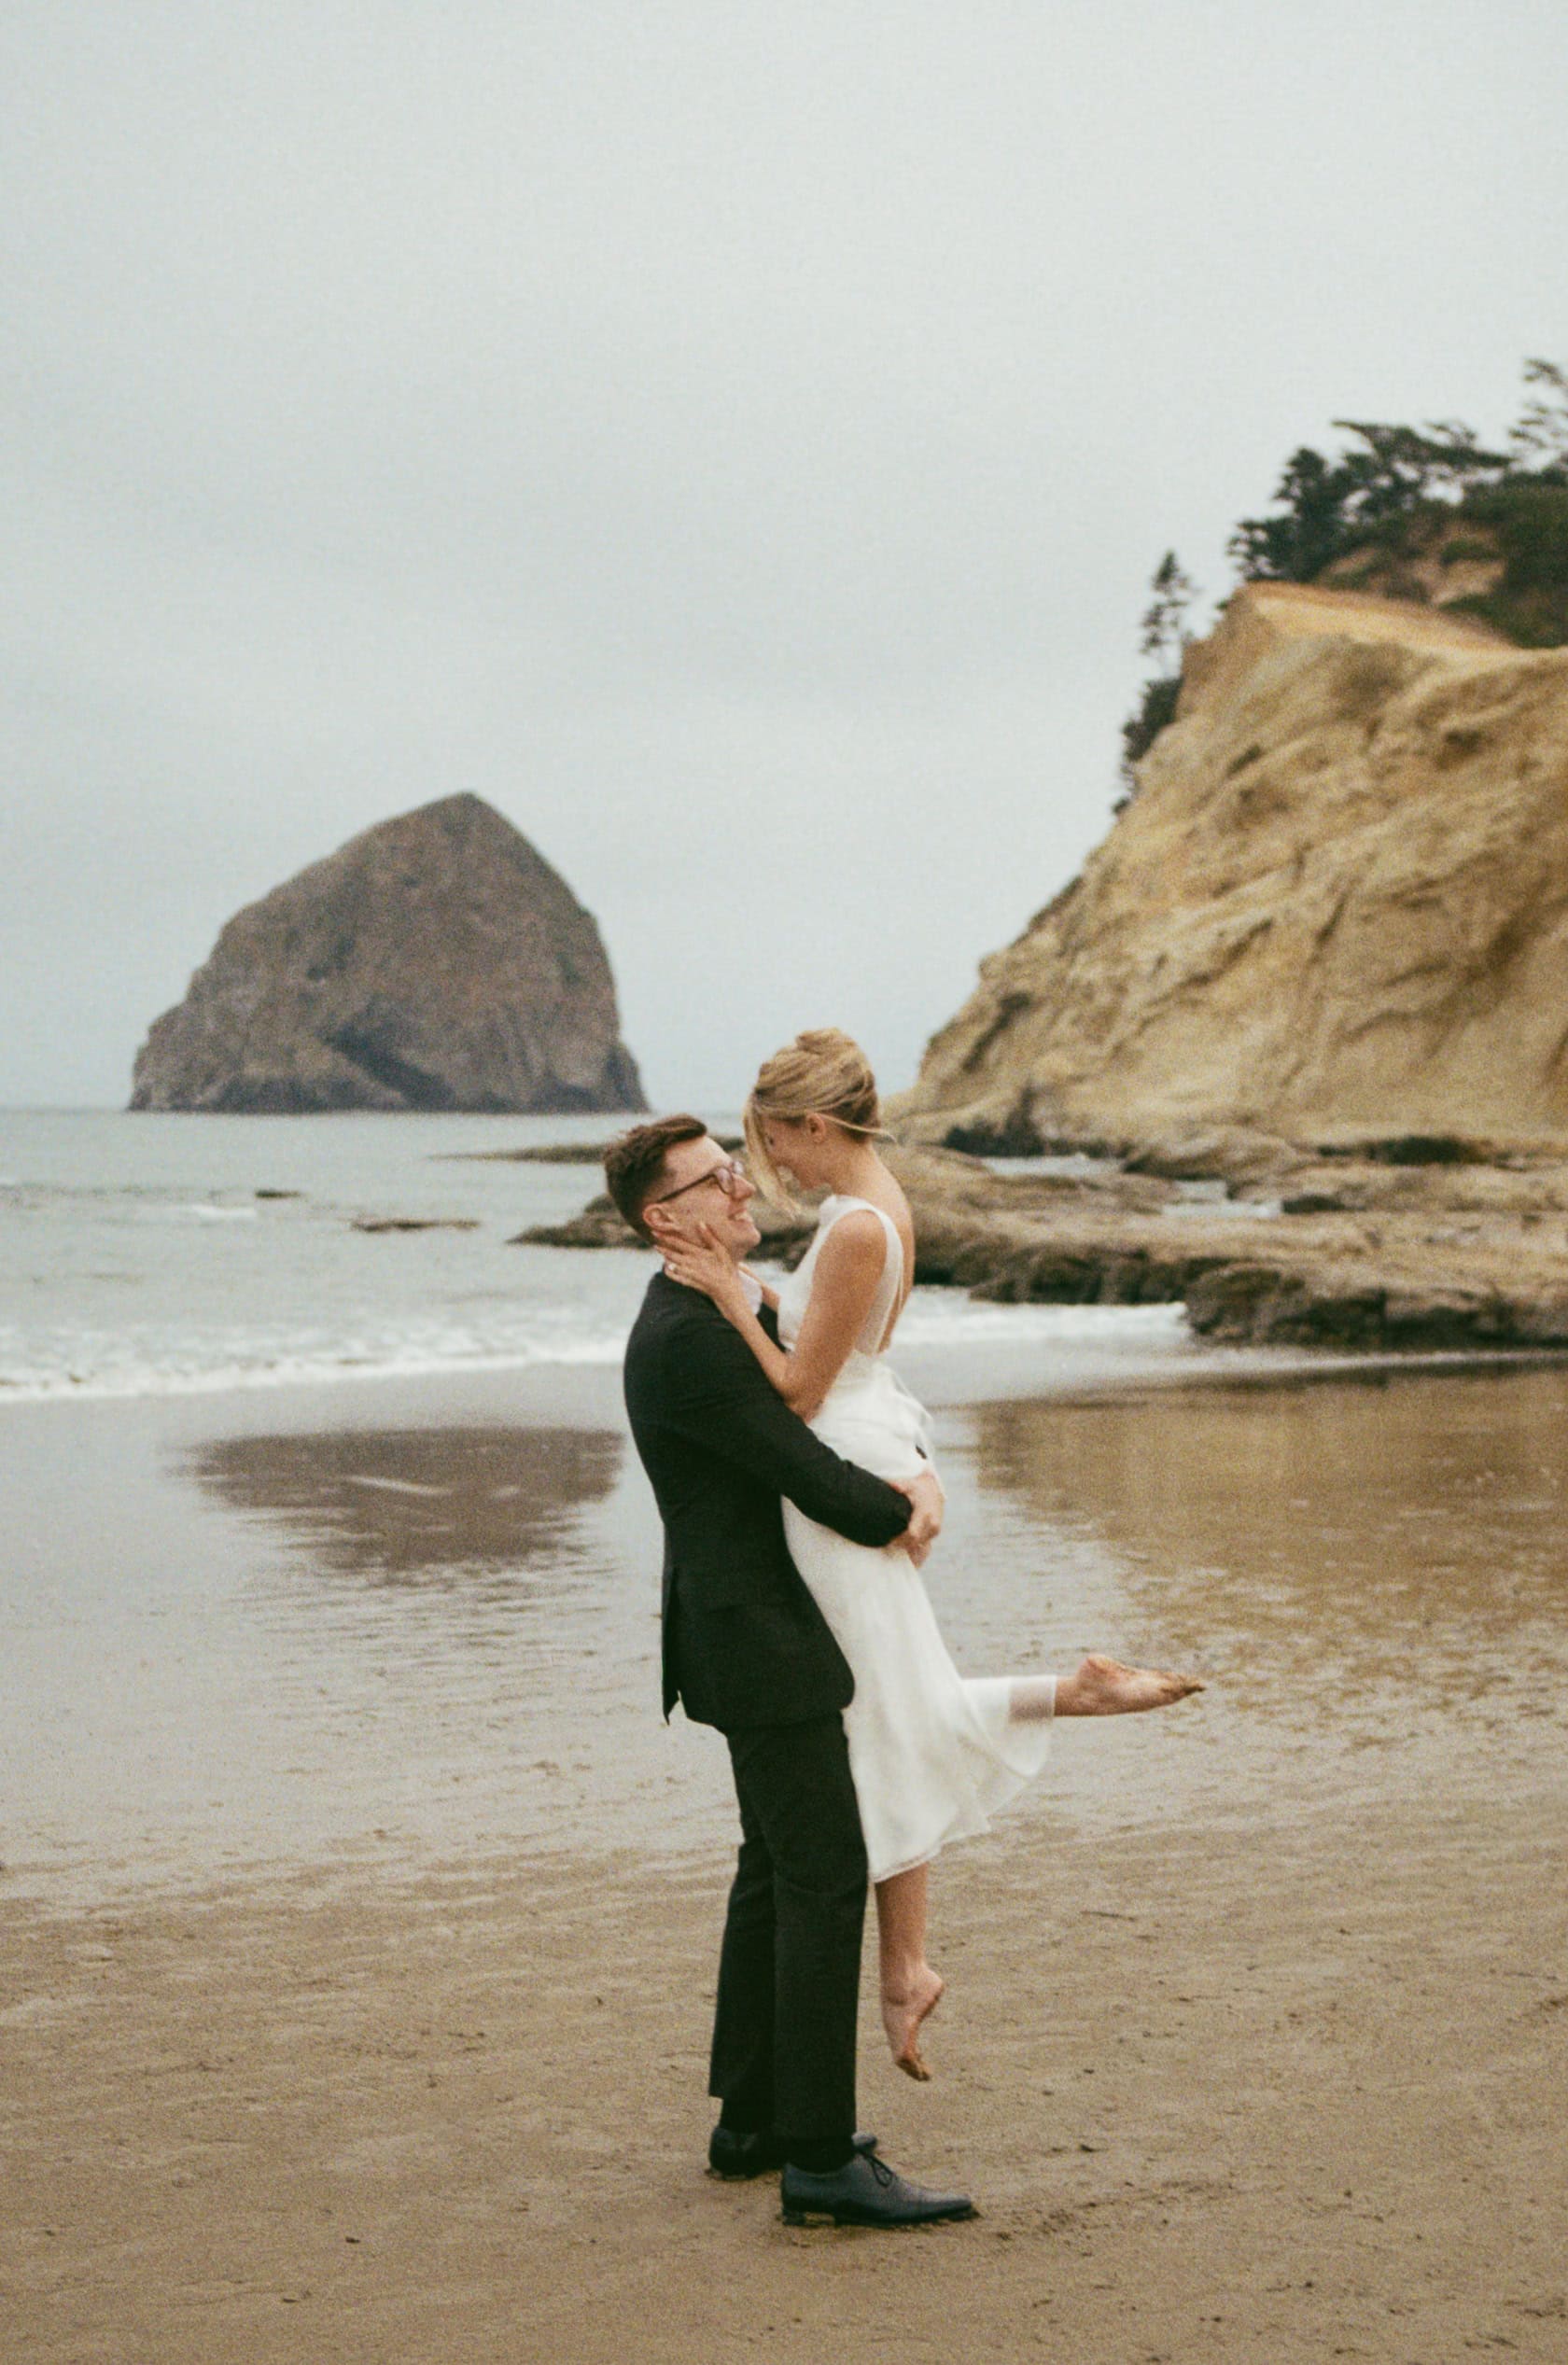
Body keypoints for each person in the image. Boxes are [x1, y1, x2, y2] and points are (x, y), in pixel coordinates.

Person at [657, 1029, 1203, 2084]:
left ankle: (916, 1943)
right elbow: (839, 1339)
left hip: (839, 1475)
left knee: (881, 1715)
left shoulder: (856, 1226)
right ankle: (913, 1952)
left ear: (814, 1123)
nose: (768, 1164)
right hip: (875, 1444)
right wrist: (766, 1295)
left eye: (774, 1141)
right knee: (889, 1704)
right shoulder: (876, 1209)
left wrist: (730, 1296)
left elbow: (801, 1392)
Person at [607, 1113, 978, 2230]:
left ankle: (755, 2118)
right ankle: (818, 2158)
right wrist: (903, 1504)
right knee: (823, 1870)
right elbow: (802, 1467)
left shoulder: (697, 1311)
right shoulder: (684, 1334)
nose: (739, 1185)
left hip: (739, 1630)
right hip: (758, 1637)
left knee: (774, 1867)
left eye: (735, 1166)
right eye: (714, 1180)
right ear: (662, 1218)